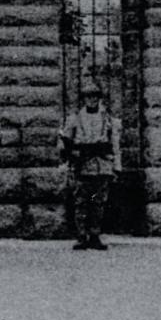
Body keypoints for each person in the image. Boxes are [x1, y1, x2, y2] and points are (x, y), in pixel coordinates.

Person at [60, 81, 119, 250]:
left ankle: (95, 234)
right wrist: (70, 155)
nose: (92, 100)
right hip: (83, 166)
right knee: (81, 202)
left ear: (99, 99)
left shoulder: (107, 118)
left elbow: (114, 144)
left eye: (95, 97)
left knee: (98, 203)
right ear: (84, 99)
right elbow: (63, 143)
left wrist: (116, 167)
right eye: (88, 97)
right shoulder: (75, 119)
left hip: (101, 165)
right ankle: (81, 235)